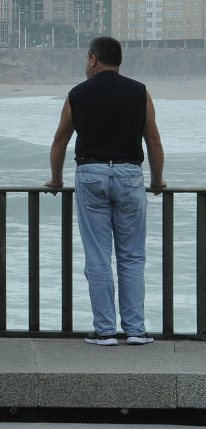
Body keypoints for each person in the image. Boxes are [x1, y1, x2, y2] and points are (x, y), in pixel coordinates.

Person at [45, 36, 166, 346]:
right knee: (132, 257)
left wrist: (56, 180)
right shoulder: (140, 93)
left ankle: (105, 331)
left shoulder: (78, 94)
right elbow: (153, 141)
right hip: (129, 174)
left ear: (94, 60)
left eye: (87, 58)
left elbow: (60, 141)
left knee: (98, 257)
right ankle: (136, 330)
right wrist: (157, 180)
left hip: (91, 173)